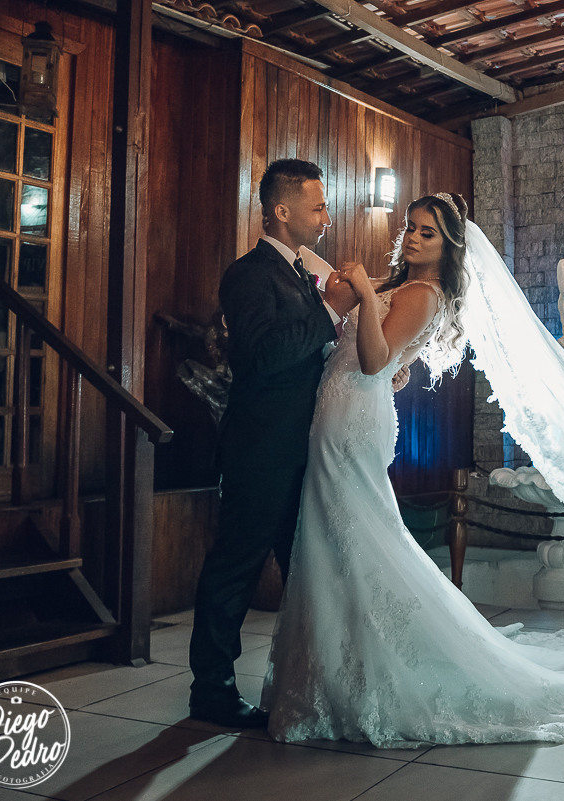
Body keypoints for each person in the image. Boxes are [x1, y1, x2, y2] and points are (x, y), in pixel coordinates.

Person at [263, 193, 564, 747]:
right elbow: (384, 356)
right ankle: (332, 669)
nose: (413, 237)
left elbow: (376, 361)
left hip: (352, 419)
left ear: (449, 246)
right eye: (411, 227)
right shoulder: (402, 286)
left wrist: (363, 297)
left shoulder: (424, 293)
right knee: (338, 538)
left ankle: (370, 667)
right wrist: (364, 310)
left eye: (428, 232)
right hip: (341, 410)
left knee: (356, 537)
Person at [188, 159, 360, 728]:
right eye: (318, 207)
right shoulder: (249, 275)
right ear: (282, 211)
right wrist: (331, 311)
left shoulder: (301, 271)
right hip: (261, 449)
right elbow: (262, 356)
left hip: (301, 449)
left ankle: (310, 684)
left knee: (305, 568)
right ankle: (211, 690)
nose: (326, 218)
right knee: (235, 568)